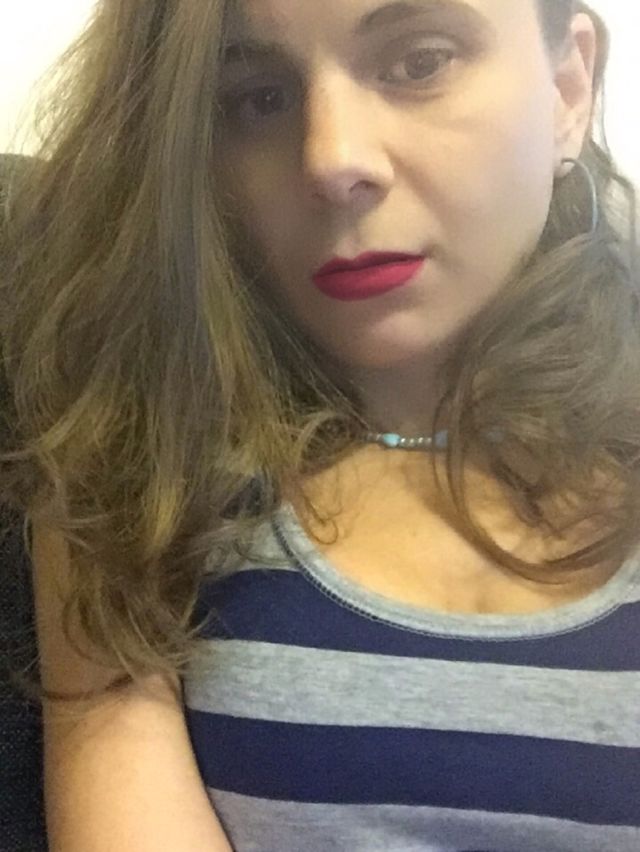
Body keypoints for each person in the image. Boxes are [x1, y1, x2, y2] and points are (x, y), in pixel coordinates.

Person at [0, 0, 639, 849]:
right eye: (258, 99)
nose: (332, 160)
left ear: (568, 86)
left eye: (419, 62)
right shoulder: (142, 451)